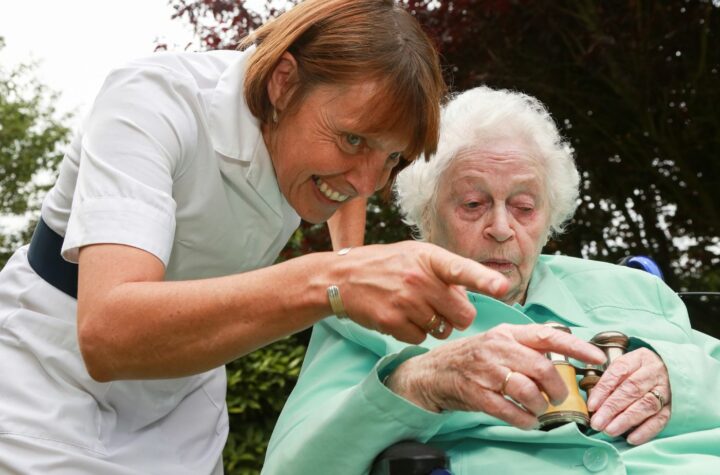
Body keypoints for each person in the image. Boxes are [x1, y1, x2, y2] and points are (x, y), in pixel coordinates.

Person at [0, 2, 511, 473]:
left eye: (391, 159)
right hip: (47, 389)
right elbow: (107, 335)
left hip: (186, 408)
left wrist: (352, 257)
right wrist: (336, 280)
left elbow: (356, 179)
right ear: (283, 84)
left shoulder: (327, 135)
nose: (365, 182)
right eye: (352, 140)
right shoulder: (150, 102)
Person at [262, 86, 720, 474]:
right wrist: (417, 384)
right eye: (473, 204)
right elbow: (294, 465)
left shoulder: (636, 290)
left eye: (524, 207)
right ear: (426, 214)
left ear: (550, 214)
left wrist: (680, 378)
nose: (502, 228)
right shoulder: (367, 312)